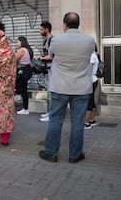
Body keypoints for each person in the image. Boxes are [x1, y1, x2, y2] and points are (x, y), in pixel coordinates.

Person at [39, 12, 94, 163]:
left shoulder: (56, 40)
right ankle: (75, 155)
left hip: (60, 87)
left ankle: (51, 153)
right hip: (81, 88)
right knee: (78, 122)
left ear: (64, 25)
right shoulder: (89, 41)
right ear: (79, 24)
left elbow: (51, 55)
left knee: (55, 120)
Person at [38, 21, 54, 122]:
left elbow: (52, 56)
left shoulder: (52, 40)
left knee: (51, 93)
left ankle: (52, 114)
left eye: (41, 29)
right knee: (48, 93)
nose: (40, 31)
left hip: (52, 69)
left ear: (46, 29)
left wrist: (42, 58)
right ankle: (49, 112)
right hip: (47, 70)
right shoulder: (46, 40)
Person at [15, 36, 34, 115]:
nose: (16, 44)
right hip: (27, 70)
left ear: (21, 42)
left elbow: (15, 60)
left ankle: (25, 108)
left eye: (17, 42)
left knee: (23, 90)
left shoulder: (22, 50)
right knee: (24, 89)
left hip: (22, 70)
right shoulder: (28, 50)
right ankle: (25, 107)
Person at [84, 44, 99, 129]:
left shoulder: (91, 56)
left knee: (89, 101)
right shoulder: (94, 55)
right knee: (92, 101)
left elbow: (89, 69)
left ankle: (87, 123)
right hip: (94, 80)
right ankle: (92, 120)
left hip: (91, 80)